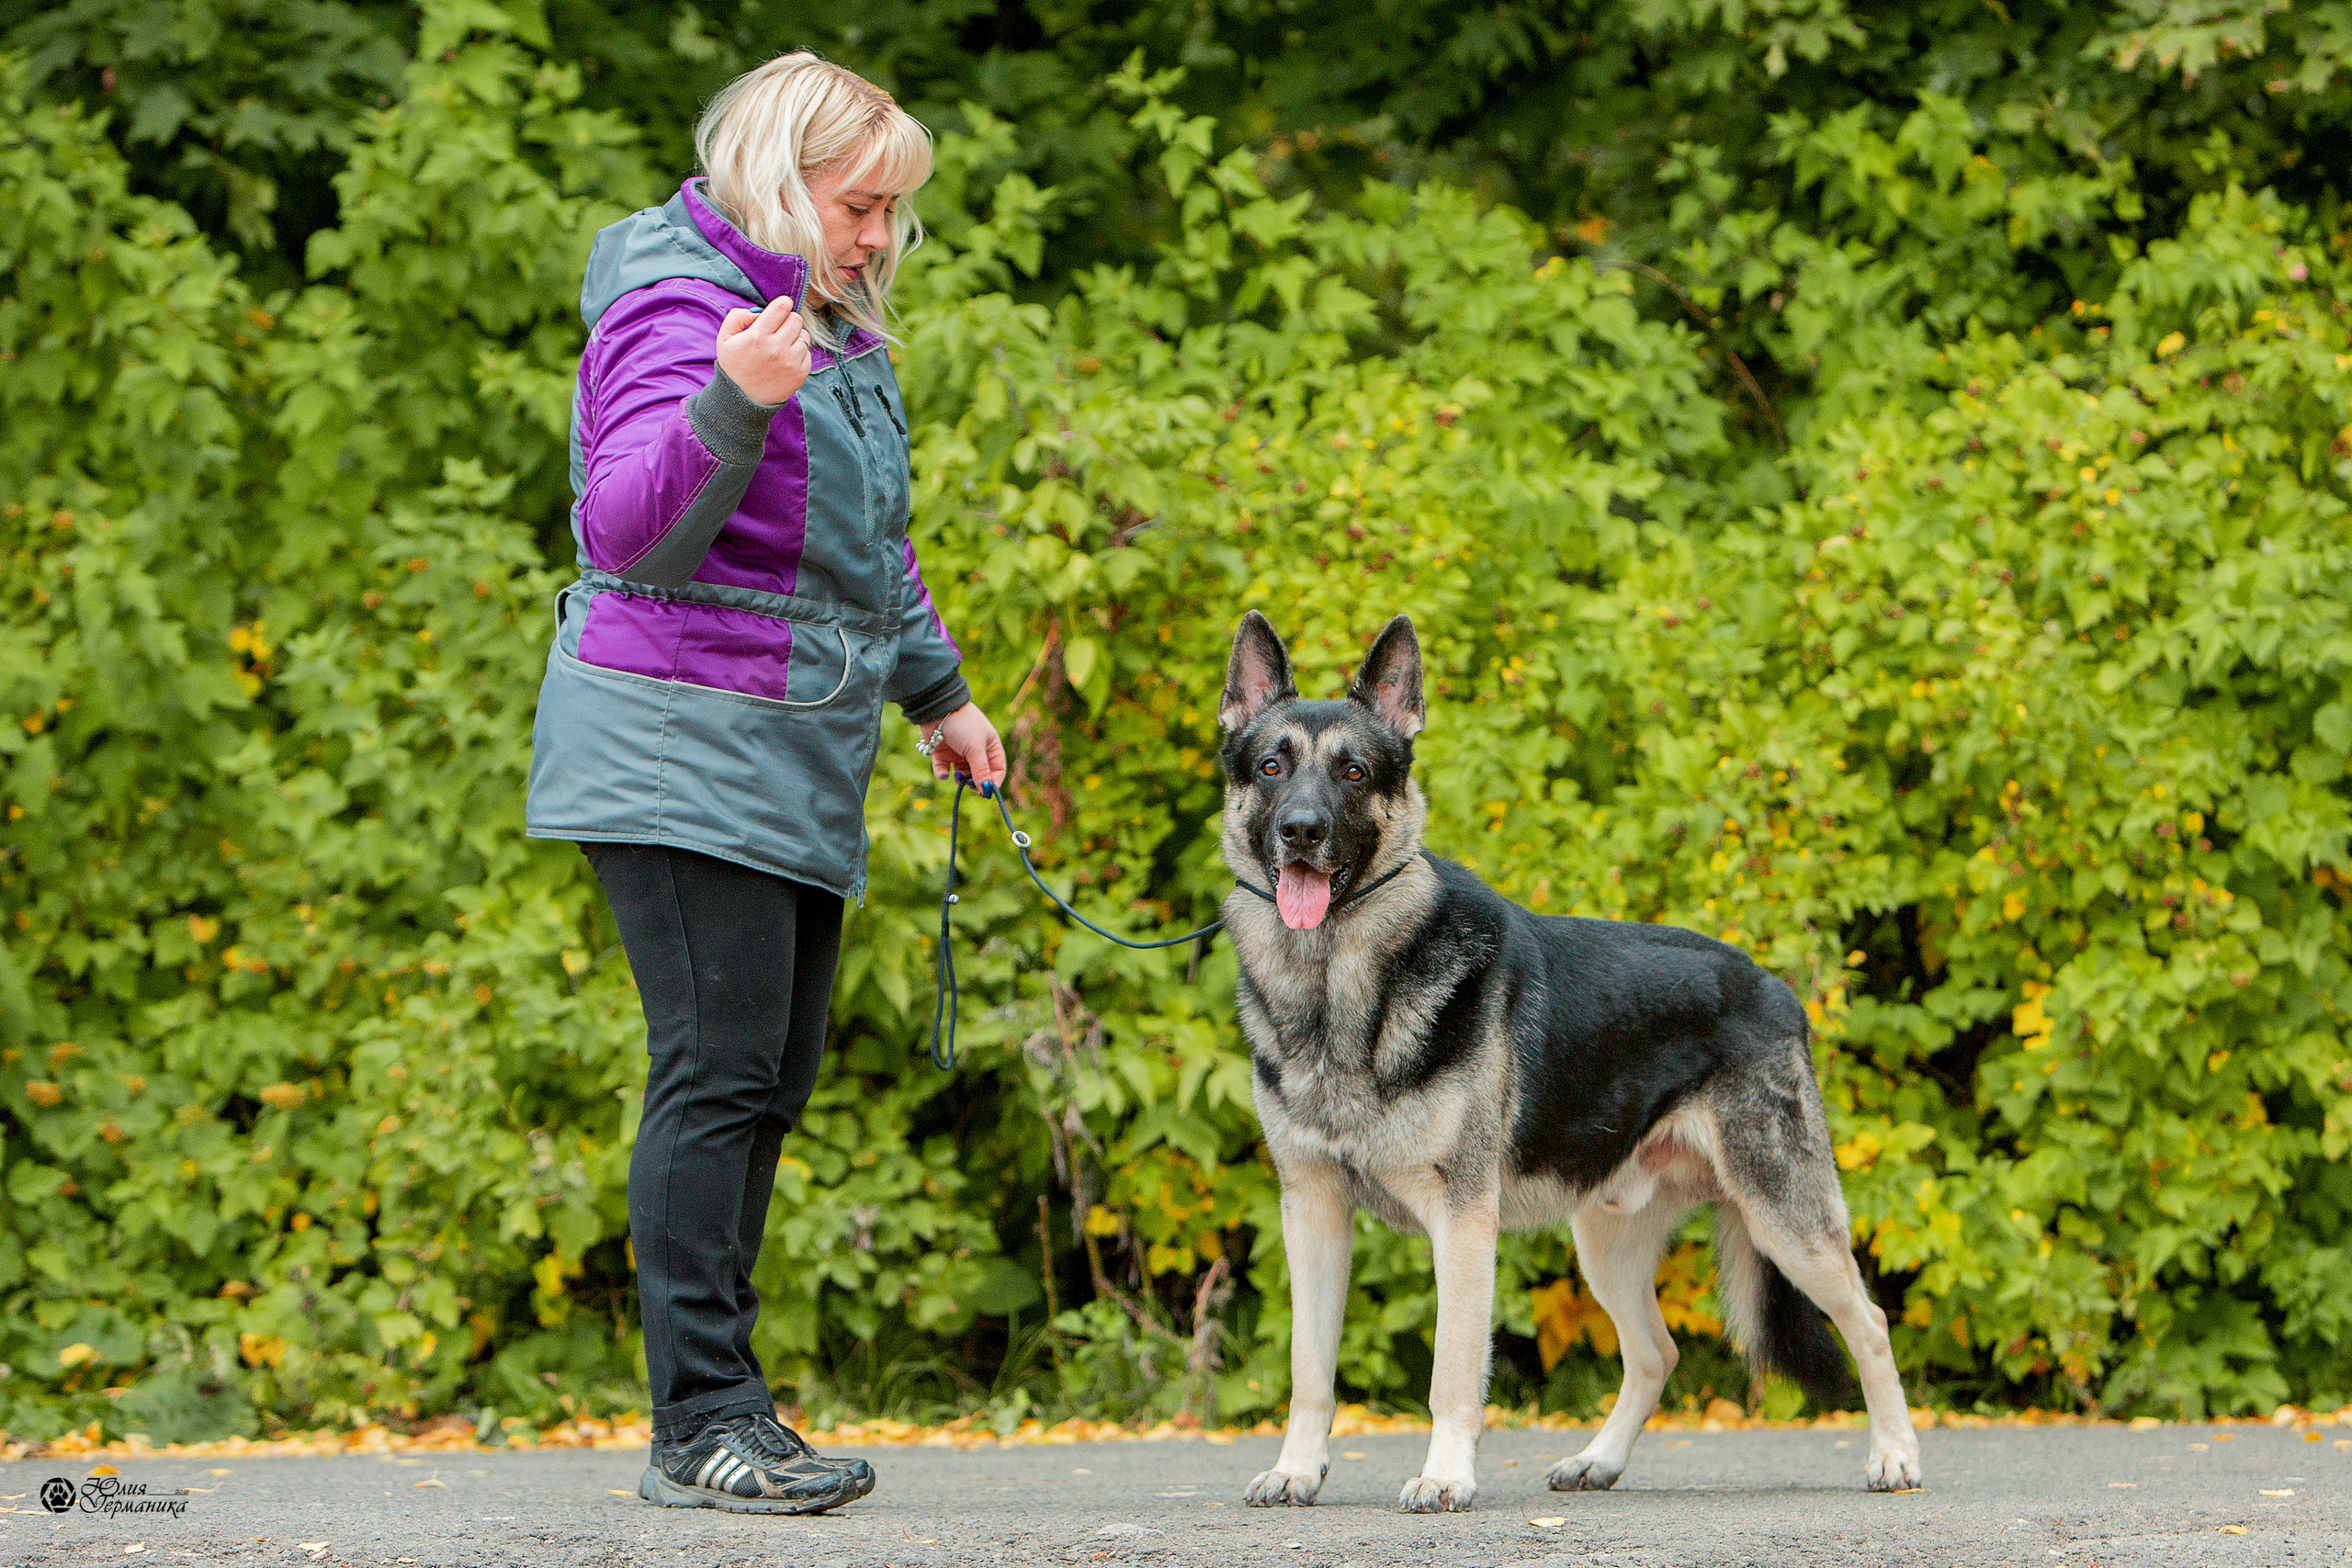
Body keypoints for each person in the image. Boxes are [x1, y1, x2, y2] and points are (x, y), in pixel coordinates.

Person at [525, 53, 1007, 1515]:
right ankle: (700, 1428)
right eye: (861, 207)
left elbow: (869, 544)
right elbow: (625, 533)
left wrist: (941, 691)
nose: (876, 238)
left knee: (768, 1080)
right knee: (718, 1075)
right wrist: (733, 404)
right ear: (775, 177)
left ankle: (734, 1407)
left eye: (892, 215)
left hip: (787, 742)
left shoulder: (827, 325)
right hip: (674, 742)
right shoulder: (682, 310)